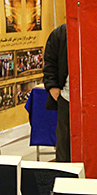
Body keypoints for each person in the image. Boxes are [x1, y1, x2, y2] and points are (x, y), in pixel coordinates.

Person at [42, 23, 70, 161]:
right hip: (66, 97)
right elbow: (50, 62)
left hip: (95, 99)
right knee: (64, 145)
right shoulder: (60, 33)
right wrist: (52, 87)